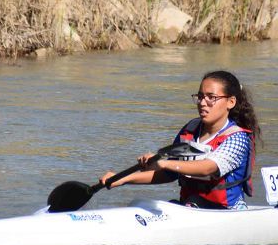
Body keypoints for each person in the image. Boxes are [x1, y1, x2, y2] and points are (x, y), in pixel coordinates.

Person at [100, 70, 261, 209]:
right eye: (200, 96)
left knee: (192, 201)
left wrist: (164, 162)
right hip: (190, 207)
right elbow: (169, 174)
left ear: (230, 102)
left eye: (211, 97)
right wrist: (123, 179)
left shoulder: (237, 138)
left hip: (225, 211)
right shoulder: (190, 130)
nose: (202, 103)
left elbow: (207, 168)